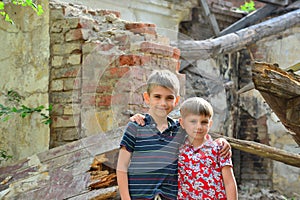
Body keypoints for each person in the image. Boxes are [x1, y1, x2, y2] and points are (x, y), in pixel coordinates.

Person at [117, 69, 231, 200]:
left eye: (169, 98)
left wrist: (221, 141)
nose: (163, 103)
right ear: (147, 98)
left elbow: (200, 133)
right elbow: (122, 166)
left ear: (176, 101)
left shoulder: (179, 129)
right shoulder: (136, 127)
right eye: (157, 97)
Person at [178, 97, 237, 200]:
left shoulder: (219, 148)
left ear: (210, 124)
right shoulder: (178, 150)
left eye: (204, 122)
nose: (199, 126)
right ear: (182, 123)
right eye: (193, 121)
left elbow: (229, 183)